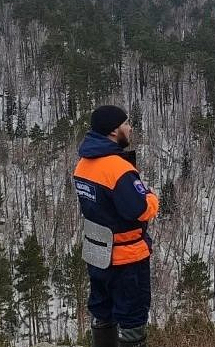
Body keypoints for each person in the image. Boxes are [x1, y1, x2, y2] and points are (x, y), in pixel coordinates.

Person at [73, 105, 159, 347]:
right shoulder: (118, 170)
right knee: (132, 317)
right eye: (126, 124)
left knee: (102, 310)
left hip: (97, 254)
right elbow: (139, 210)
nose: (130, 128)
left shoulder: (83, 165)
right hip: (127, 258)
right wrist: (151, 197)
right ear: (113, 131)